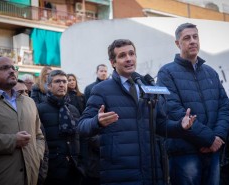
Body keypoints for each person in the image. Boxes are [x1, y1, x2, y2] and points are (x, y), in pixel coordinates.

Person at [78, 39, 197, 185]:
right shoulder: (101, 89)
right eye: (122, 56)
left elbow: (159, 124)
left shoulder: (147, 86)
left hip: (153, 171)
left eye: (131, 54)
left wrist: (180, 126)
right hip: (120, 171)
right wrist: (97, 121)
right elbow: (82, 126)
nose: (128, 59)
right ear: (113, 63)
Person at [156, 23, 229, 185]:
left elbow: (224, 106)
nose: (192, 41)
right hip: (185, 154)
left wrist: (218, 137)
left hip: (213, 152)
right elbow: (174, 110)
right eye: (187, 38)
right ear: (178, 43)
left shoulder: (211, 72)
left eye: (195, 37)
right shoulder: (166, 73)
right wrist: (209, 139)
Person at [0, 56, 45, 185]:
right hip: (2, 176)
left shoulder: (29, 101)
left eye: (14, 67)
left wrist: (36, 157)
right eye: (5, 68)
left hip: (31, 176)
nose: (12, 71)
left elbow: (39, 136)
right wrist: (12, 141)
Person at [37, 70, 83, 185]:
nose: (62, 84)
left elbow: (80, 138)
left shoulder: (73, 109)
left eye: (64, 81)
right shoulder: (39, 110)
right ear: (49, 85)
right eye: (57, 81)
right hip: (51, 171)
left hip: (74, 170)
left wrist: (82, 164)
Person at [82, 64, 108, 185]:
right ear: (97, 72)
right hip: (95, 125)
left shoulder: (112, 87)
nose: (103, 73)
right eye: (101, 71)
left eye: (105, 71)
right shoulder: (90, 88)